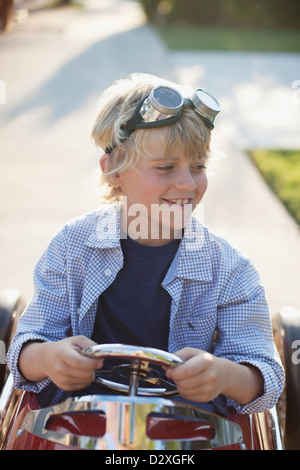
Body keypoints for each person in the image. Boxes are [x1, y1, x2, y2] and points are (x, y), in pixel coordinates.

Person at [7, 73, 284, 415]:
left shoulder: (229, 268)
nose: (187, 184)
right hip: (80, 421)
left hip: (187, 429)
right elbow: (26, 345)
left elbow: (265, 373)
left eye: (198, 166)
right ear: (114, 172)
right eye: (166, 167)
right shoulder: (71, 247)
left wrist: (224, 375)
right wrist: (48, 358)